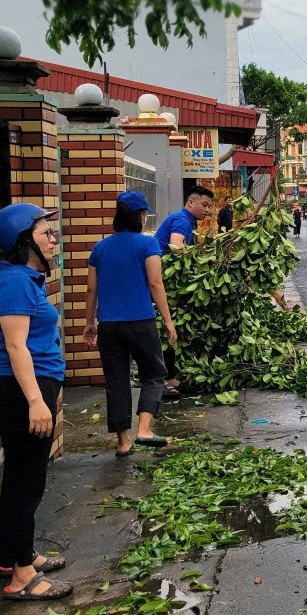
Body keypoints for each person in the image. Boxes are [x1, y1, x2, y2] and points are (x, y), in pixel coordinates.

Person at [0, 203, 73, 601]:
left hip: (28, 390)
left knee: (21, 479)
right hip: (23, 393)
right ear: (23, 242)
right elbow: (16, 346)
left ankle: (16, 557)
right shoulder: (17, 282)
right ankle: (21, 578)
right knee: (26, 484)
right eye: (46, 234)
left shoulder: (23, 279)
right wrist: (37, 402)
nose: (54, 241)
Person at [83, 191, 178, 456]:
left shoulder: (99, 248)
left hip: (109, 326)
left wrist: (89, 322)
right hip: (140, 322)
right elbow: (155, 283)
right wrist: (168, 320)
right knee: (154, 374)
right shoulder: (147, 245)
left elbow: (91, 290)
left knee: (116, 381)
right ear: (139, 216)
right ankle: (144, 429)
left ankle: (123, 442)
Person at [154, 185, 214, 398]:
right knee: (169, 327)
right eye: (204, 205)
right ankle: (163, 379)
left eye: (209, 206)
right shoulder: (182, 220)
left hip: (166, 278)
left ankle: (168, 376)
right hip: (164, 279)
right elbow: (177, 247)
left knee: (172, 327)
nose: (207, 210)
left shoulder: (184, 219)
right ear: (191, 202)